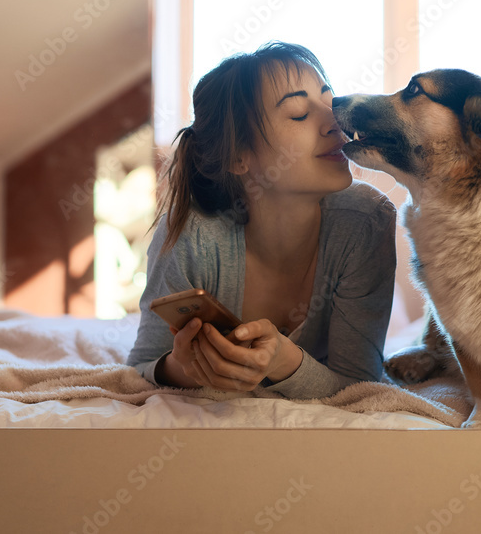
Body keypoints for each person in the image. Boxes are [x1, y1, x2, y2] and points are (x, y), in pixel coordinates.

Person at [127, 41, 397, 399]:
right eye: (299, 113)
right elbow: (143, 366)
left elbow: (359, 385)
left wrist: (284, 361)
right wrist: (186, 369)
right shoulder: (194, 237)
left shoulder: (365, 223)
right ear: (239, 157)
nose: (335, 122)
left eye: (329, 100)